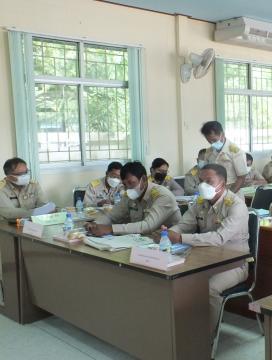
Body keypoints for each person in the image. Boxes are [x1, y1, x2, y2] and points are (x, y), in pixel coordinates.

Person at [165, 164, 249, 336]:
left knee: (209, 288)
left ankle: (206, 339)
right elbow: (184, 224)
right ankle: (184, 329)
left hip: (235, 263)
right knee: (178, 279)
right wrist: (171, 232)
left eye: (209, 181)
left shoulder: (236, 205)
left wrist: (181, 238)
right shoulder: (201, 202)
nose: (203, 185)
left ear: (223, 183)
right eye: (201, 181)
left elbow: (218, 239)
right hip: (205, 259)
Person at [86, 161, 181, 236]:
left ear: (143, 179)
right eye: (124, 184)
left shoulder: (162, 195)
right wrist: (95, 224)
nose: (127, 188)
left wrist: (110, 228)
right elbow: (112, 216)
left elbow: (147, 226)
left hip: (168, 243)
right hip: (142, 241)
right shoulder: (129, 195)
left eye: (131, 182)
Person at [201, 121, 248, 194]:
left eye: (214, 140)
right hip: (214, 193)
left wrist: (229, 195)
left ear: (222, 134)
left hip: (232, 194)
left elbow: (242, 178)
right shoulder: (208, 152)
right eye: (209, 141)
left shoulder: (235, 152)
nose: (212, 144)